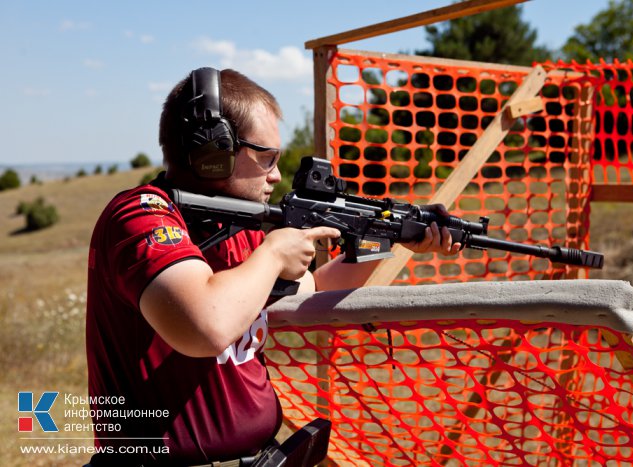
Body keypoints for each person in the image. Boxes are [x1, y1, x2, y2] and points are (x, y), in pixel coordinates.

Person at [85, 67, 461, 466]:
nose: (276, 175)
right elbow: (205, 325)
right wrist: (272, 254)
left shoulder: (238, 229)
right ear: (214, 152)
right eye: (267, 158)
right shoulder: (142, 217)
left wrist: (381, 239)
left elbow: (311, 289)